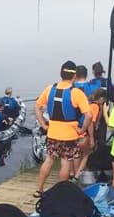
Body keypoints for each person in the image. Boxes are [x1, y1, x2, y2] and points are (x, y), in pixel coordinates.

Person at [34, 61, 92, 197]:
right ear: (74, 76)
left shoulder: (49, 89)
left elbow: (37, 107)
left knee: (49, 159)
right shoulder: (76, 93)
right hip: (70, 135)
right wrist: (82, 129)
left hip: (53, 133)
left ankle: (39, 189)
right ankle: (60, 193)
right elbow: (89, 115)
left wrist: (43, 124)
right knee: (66, 163)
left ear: (61, 74)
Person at [74, 87, 107, 180]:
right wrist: (92, 138)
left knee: (77, 154)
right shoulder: (95, 106)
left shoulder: (88, 104)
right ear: (101, 98)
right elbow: (90, 123)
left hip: (78, 131)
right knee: (86, 154)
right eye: (104, 100)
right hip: (85, 134)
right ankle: (77, 175)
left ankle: (73, 173)